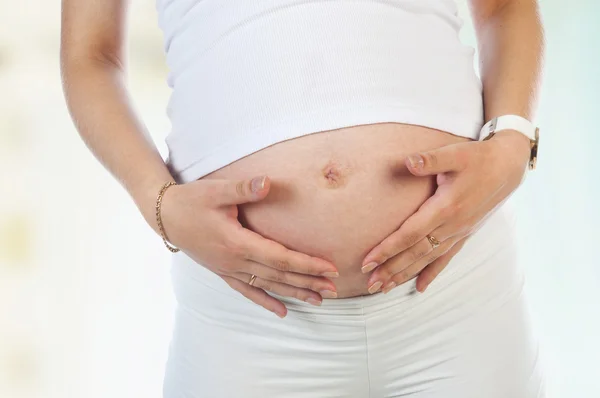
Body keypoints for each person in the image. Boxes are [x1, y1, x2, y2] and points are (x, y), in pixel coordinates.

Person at [60, 0, 546, 396]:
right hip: (247, 321)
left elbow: (504, 7)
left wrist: (513, 141)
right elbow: (89, 56)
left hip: (458, 294)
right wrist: (158, 203)